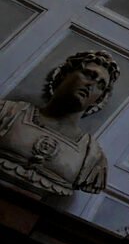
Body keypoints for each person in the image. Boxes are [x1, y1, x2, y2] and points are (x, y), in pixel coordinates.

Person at [0, 49, 119, 196]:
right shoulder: (7, 112)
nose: (92, 85)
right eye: (89, 75)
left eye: (101, 85)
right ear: (64, 75)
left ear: (100, 99)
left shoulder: (93, 158)